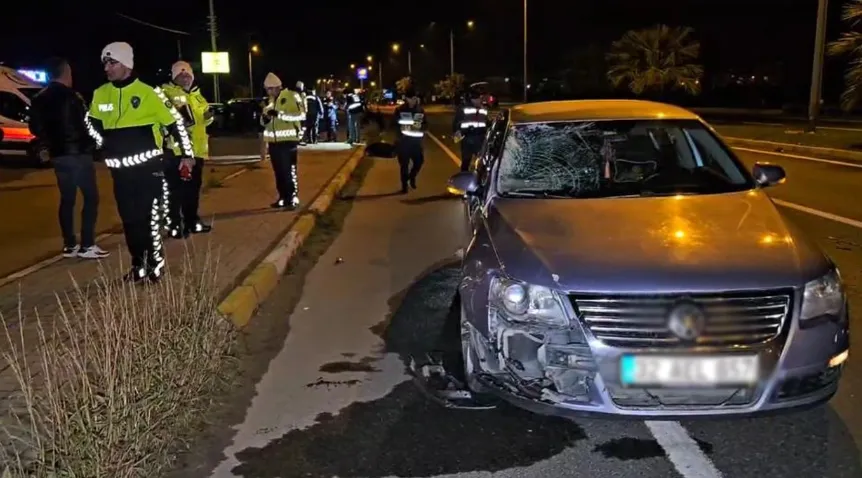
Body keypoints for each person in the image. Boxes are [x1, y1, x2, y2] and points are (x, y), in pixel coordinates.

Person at [87, 42, 195, 283]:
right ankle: (139, 266)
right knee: (130, 220)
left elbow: (175, 124)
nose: (107, 67)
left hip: (148, 169)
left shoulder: (148, 93)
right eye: (105, 62)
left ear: (127, 64)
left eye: (112, 62)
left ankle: (154, 265)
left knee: (148, 219)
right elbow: (91, 123)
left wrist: (186, 155)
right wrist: (101, 141)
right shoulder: (100, 93)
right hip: (119, 171)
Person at [28, 57, 109, 260]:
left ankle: (70, 244)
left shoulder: (40, 98)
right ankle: (87, 244)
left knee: (67, 199)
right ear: (66, 74)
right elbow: (85, 124)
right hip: (78, 154)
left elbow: (34, 128)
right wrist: (93, 145)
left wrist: (49, 143)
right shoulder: (73, 97)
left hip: (59, 155)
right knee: (91, 197)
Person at [160, 60, 213, 238]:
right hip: (176, 152)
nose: (185, 78)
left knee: (193, 189)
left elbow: (203, 120)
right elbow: (167, 119)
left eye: (187, 74)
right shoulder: (167, 93)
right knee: (175, 191)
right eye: (180, 75)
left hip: (196, 151)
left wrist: (208, 116)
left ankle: (192, 221)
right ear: (174, 77)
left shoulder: (197, 95)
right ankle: (175, 225)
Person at [261, 72, 304, 210]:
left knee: (288, 171)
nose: (268, 92)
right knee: (278, 172)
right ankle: (283, 197)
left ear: (276, 87)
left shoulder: (291, 96)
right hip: (274, 142)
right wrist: (265, 119)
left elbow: (301, 115)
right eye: (267, 89)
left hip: (288, 141)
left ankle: (292, 198)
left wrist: (279, 115)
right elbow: (264, 122)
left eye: (269, 89)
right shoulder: (270, 102)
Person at [393, 89, 426, 193]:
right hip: (404, 142)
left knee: (419, 162)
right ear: (407, 98)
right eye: (412, 98)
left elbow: (426, 124)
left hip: (416, 142)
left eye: (416, 98)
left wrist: (422, 127)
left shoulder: (420, 110)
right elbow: (394, 125)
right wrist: (397, 138)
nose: (414, 100)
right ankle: (404, 187)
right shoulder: (400, 110)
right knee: (404, 165)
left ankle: (411, 177)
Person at [452, 89, 490, 172]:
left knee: (482, 161)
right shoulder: (463, 108)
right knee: (466, 161)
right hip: (467, 138)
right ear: (472, 99)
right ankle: (463, 178)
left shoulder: (483, 108)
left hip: (480, 138)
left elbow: (486, 122)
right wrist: (458, 133)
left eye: (480, 98)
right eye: (478, 98)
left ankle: (480, 179)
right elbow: (456, 123)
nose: (480, 100)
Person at [295, 81, 308, 145]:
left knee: (297, 127)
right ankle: (301, 140)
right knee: (303, 127)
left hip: (295, 113)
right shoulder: (303, 94)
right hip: (302, 114)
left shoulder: (293, 94)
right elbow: (304, 104)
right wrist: (306, 112)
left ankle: (297, 139)